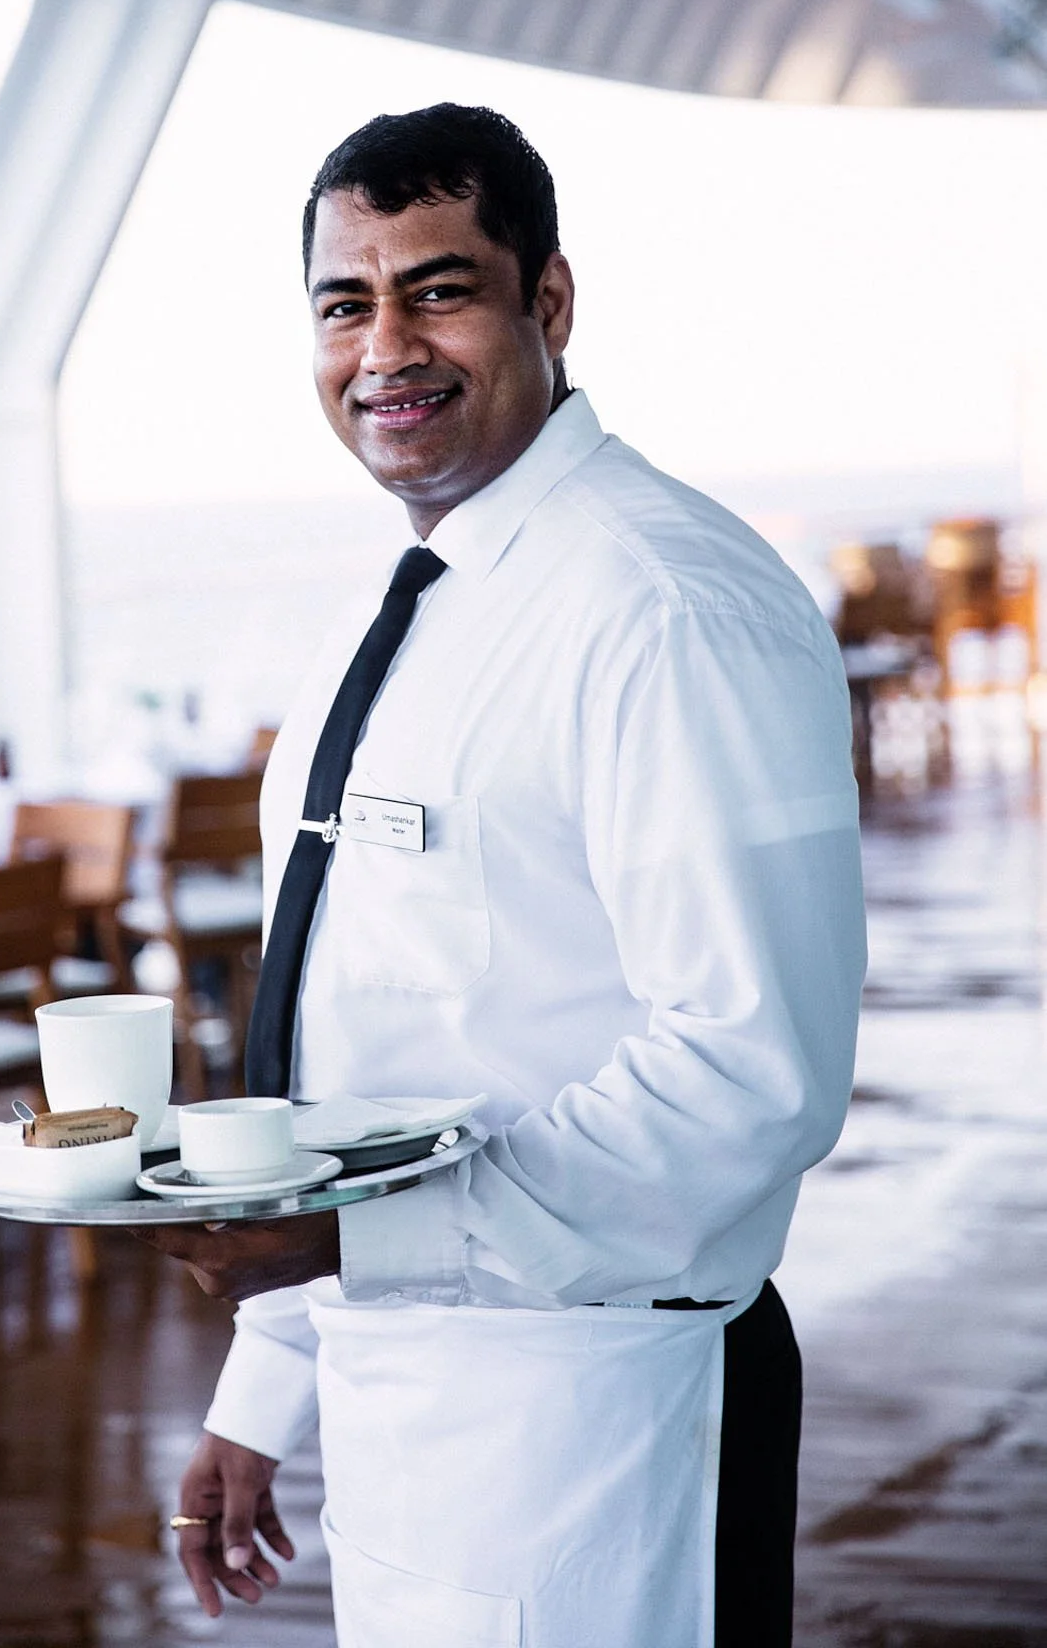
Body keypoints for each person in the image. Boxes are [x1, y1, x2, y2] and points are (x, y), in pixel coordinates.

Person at [132, 104, 867, 1647]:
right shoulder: (406, 602)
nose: (384, 344)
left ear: (550, 301)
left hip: (606, 1414)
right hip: (415, 1397)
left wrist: (349, 1241)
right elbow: (370, 1029)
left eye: (440, 288)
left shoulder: (663, 606)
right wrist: (272, 1376)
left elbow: (749, 1075)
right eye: (346, 302)